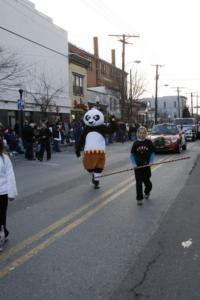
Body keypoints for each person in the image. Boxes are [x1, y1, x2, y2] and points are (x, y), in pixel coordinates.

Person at [75, 108, 116, 189]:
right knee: (88, 167)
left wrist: (113, 119)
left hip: (100, 151)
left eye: (94, 118)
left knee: (99, 166)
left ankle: (96, 181)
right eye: (89, 118)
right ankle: (94, 176)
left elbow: (112, 130)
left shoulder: (102, 127)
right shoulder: (86, 129)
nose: (91, 120)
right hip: (88, 152)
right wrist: (78, 149)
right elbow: (82, 139)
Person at [0, 137, 18, 251]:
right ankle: (4, 233)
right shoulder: (4, 158)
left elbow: (10, 176)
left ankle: (2, 236)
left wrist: (11, 193)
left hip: (2, 192)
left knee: (1, 216)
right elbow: (10, 176)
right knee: (1, 217)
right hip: (2, 192)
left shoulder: (4, 158)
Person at [130, 126, 155, 206]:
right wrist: (134, 164)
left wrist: (151, 162)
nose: (142, 134)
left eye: (144, 133)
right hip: (137, 166)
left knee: (147, 182)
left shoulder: (149, 142)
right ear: (137, 134)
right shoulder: (135, 143)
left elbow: (152, 153)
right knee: (138, 182)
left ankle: (147, 191)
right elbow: (132, 155)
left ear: (146, 133)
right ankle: (139, 198)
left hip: (146, 165)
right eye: (140, 133)